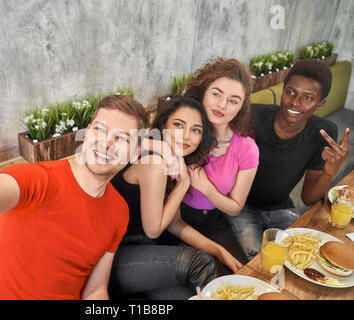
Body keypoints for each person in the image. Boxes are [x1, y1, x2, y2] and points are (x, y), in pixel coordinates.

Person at [0, 94, 149, 300]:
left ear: (136, 151)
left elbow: (95, 291)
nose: (105, 143)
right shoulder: (37, 180)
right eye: (99, 129)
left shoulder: (119, 211)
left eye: (121, 138)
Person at [110, 96, 242, 300]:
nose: (187, 136)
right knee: (199, 261)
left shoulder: (172, 162)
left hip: (146, 255)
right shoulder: (154, 162)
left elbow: (174, 223)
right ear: (163, 126)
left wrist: (219, 251)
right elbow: (153, 230)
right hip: (115, 259)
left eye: (196, 130)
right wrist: (184, 184)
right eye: (179, 125)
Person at [225, 59, 350, 260]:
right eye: (290, 92)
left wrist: (329, 172)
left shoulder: (324, 132)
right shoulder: (253, 116)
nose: (294, 102)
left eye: (307, 98)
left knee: (310, 253)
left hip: (279, 206)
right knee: (261, 260)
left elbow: (308, 198)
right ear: (283, 91)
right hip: (240, 206)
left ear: (320, 104)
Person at [175, 57, 259, 274]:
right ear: (203, 91)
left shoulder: (246, 148)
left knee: (240, 275)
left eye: (233, 100)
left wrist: (206, 188)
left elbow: (235, 207)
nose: (222, 105)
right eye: (216, 94)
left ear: (242, 107)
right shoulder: (182, 132)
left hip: (215, 219)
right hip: (176, 221)